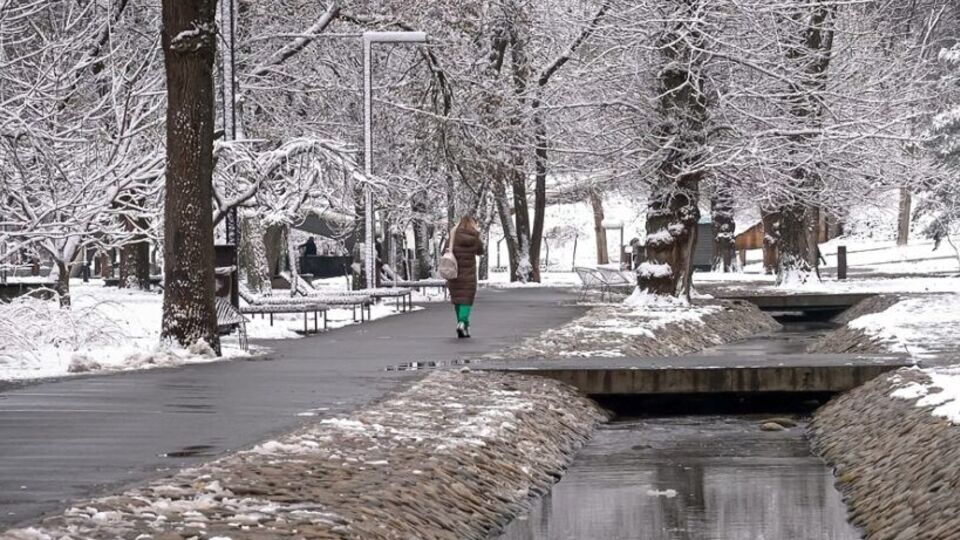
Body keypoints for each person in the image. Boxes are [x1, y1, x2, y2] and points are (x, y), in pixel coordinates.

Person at [446, 215, 485, 339]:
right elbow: (480, 251)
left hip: (454, 272)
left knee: (458, 299)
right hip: (469, 273)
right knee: (466, 300)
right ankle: (462, 322)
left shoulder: (453, 234)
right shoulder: (475, 235)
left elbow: (444, 251)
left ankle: (462, 325)